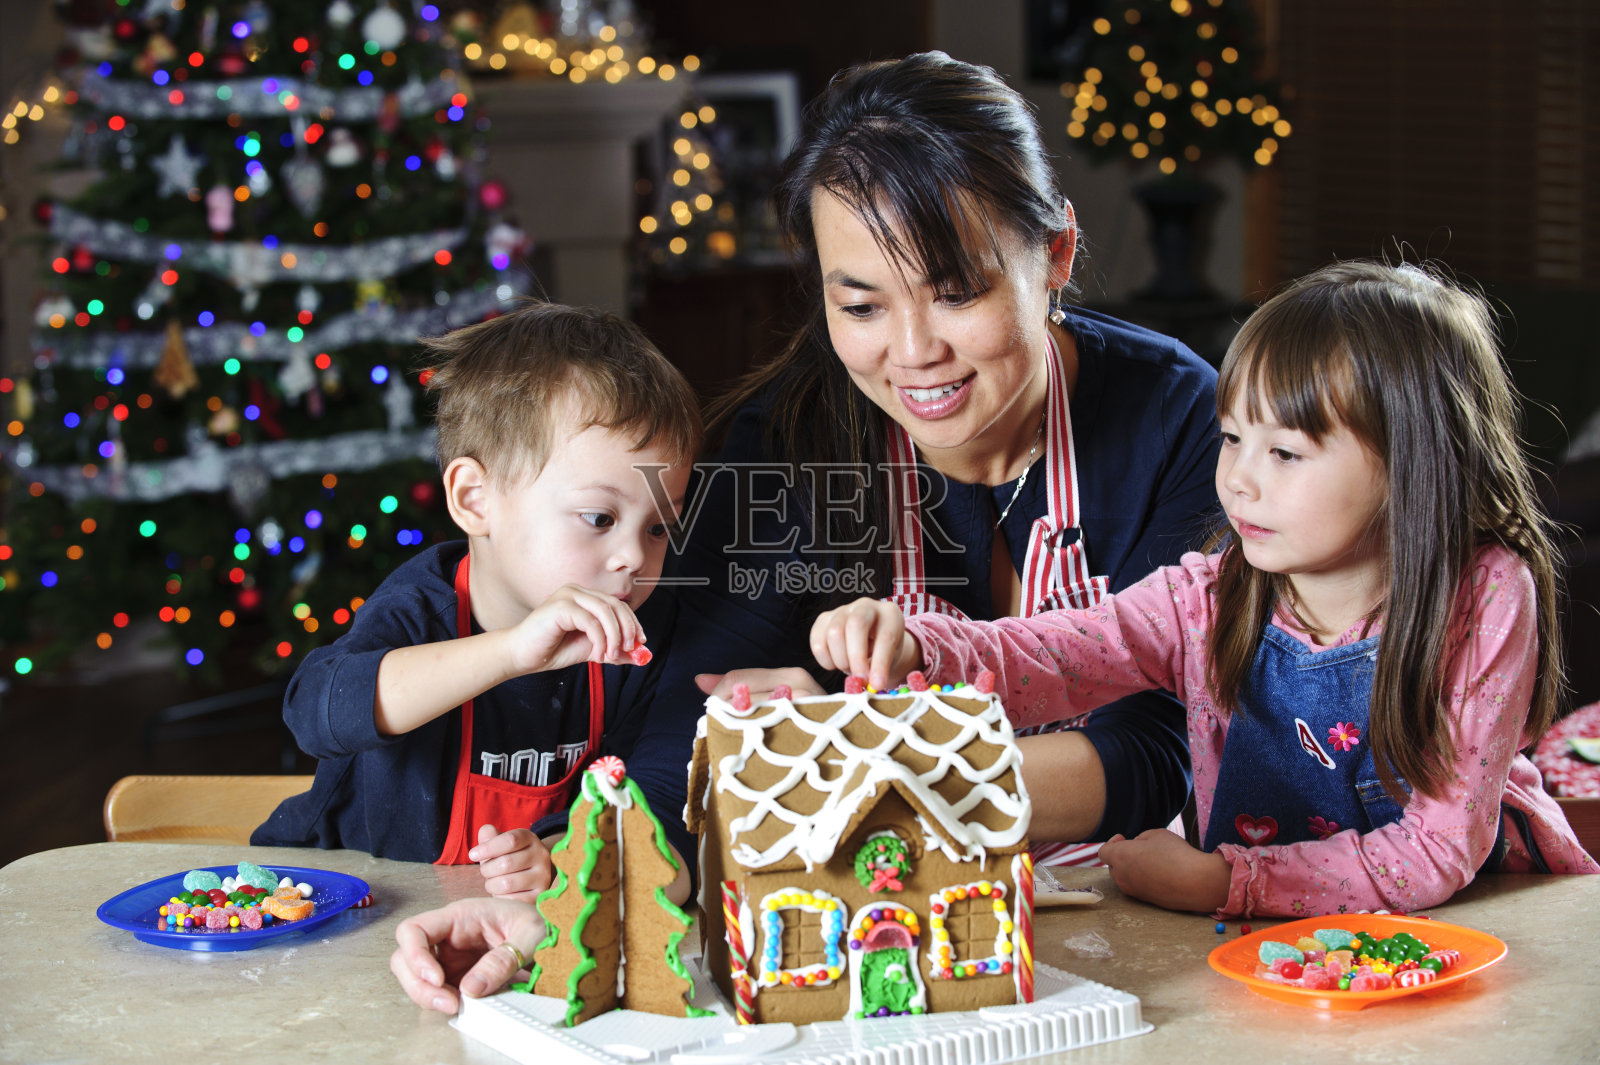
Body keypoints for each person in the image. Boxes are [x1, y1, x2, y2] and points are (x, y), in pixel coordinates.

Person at [388, 48, 1222, 1011]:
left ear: (1057, 255)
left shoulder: (1177, 422)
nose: (914, 354)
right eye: (860, 303)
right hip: (862, 933)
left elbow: (1170, 738)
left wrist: (857, 754)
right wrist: (579, 903)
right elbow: (680, 720)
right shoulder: (791, 444)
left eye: (957, 291)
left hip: (1145, 924)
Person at [812, 260, 1600, 919]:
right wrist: (921, 642)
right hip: (1279, 941)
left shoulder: (1488, 596)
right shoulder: (1215, 595)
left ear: (1412, 466)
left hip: (1488, 916)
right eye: (1231, 438)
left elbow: (1437, 848)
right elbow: (1059, 652)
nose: (1240, 482)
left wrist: (1227, 881)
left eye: (1285, 452)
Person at [252, 301, 701, 903]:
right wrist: (512, 652)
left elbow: (624, 796)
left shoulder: (637, 640)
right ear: (474, 499)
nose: (634, 558)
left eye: (658, 528)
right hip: (340, 901)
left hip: (492, 923)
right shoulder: (421, 607)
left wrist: (554, 854)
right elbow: (314, 712)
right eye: (599, 517)